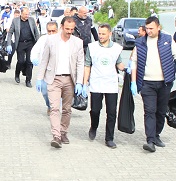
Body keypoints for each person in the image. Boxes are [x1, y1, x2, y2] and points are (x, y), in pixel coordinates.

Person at [128, 15, 176, 152]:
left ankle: (156, 135)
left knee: (161, 111)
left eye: (151, 28)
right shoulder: (140, 42)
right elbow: (134, 63)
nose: (149, 31)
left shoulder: (168, 40)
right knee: (149, 111)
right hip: (147, 83)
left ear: (158, 27)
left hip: (164, 83)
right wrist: (133, 82)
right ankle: (150, 140)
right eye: (147, 28)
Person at [32, 16, 85, 147]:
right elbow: (44, 60)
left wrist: (80, 82)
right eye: (67, 29)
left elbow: (80, 63)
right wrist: (39, 78)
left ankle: (63, 132)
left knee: (66, 109)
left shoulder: (78, 42)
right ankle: (56, 136)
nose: (69, 32)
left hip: (69, 80)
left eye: (72, 29)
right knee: (55, 108)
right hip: (53, 79)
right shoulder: (51, 40)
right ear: (61, 27)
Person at [84, 22, 129, 148]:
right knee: (95, 110)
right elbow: (87, 65)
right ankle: (93, 127)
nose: (101, 36)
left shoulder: (116, 48)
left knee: (111, 112)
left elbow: (119, 63)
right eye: (99, 33)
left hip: (111, 83)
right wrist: (84, 82)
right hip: (96, 83)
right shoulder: (92, 47)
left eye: (103, 34)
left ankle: (109, 138)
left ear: (110, 34)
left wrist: (127, 69)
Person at [6, 6, 42, 86]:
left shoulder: (31, 20)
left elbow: (36, 32)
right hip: (20, 43)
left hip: (30, 43)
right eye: (25, 14)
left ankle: (28, 80)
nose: (27, 16)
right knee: (21, 61)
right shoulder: (15, 21)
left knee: (29, 62)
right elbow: (10, 33)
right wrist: (9, 44)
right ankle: (17, 74)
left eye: (28, 14)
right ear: (21, 14)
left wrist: (38, 43)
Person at [30, 19, 58, 112]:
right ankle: (49, 105)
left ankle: (56, 109)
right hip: (45, 70)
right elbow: (35, 50)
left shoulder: (61, 40)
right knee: (45, 91)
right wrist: (34, 58)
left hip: (58, 70)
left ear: (57, 30)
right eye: (49, 31)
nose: (51, 33)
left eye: (53, 31)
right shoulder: (43, 39)